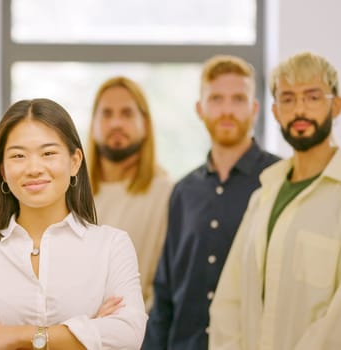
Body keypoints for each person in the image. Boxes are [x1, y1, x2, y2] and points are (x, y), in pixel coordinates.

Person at [0, 98, 147, 350]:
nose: (33, 168)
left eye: (48, 153)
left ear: (74, 162)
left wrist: (14, 336)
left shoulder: (111, 245)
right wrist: (86, 331)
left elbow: (127, 336)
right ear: (3, 171)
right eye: (18, 156)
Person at [143, 55, 279, 350]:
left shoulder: (279, 180)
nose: (227, 110)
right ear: (199, 109)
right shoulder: (183, 191)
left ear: (254, 109)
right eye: (216, 99)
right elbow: (165, 291)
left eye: (238, 99)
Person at [210, 52, 341, 349]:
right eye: (288, 99)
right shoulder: (262, 197)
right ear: (275, 112)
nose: (300, 110)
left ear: (336, 106)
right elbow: (228, 303)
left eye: (312, 97)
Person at [87, 76, 173, 310]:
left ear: (145, 125)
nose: (116, 123)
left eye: (127, 114)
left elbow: (166, 284)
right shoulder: (71, 194)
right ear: (93, 125)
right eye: (106, 114)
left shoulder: (166, 194)